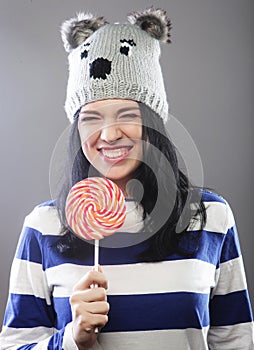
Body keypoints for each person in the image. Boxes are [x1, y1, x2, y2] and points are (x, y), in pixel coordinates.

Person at [0, 7, 253, 350]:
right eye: (90, 118)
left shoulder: (210, 217)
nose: (109, 133)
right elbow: (15, 344)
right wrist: (73, 340)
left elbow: (236, 340)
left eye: (127, 114)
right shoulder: (44, 226)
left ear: (153, 122)